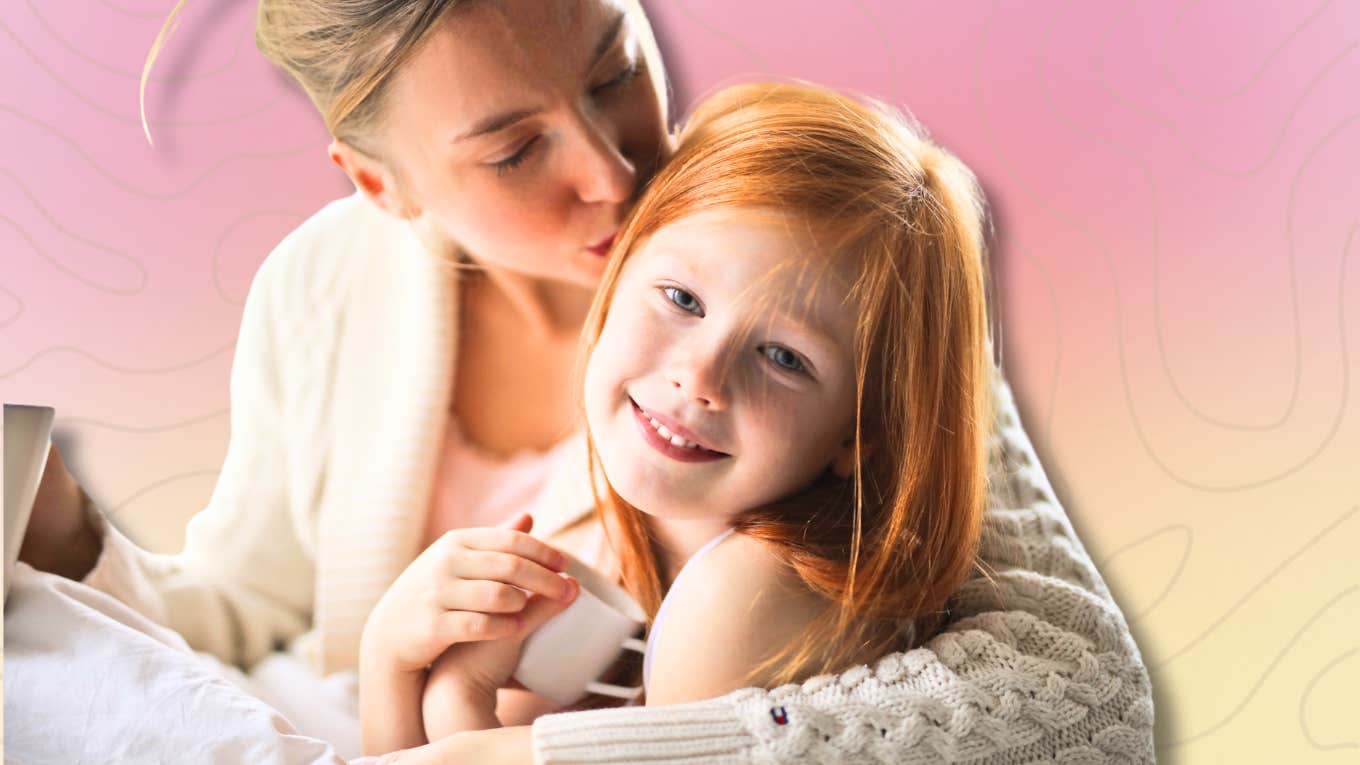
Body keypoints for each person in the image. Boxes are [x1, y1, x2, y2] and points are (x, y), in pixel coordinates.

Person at [19, 0, 1155, 762]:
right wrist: (63, 534)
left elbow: (1083, 694)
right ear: (381, 184)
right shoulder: (323, 285)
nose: (617, 173)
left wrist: (537, 754)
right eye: (515, 152)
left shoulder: (804, 235)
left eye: (614, 70)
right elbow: (248, 616)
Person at [388, 79, 996, 749]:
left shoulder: (748, 598)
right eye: (682, 298)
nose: (700, 378)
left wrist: (448, 702)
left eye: (784, 357)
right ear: (616, 271)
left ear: (859, 434)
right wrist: (389, 657)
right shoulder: (612, 516)